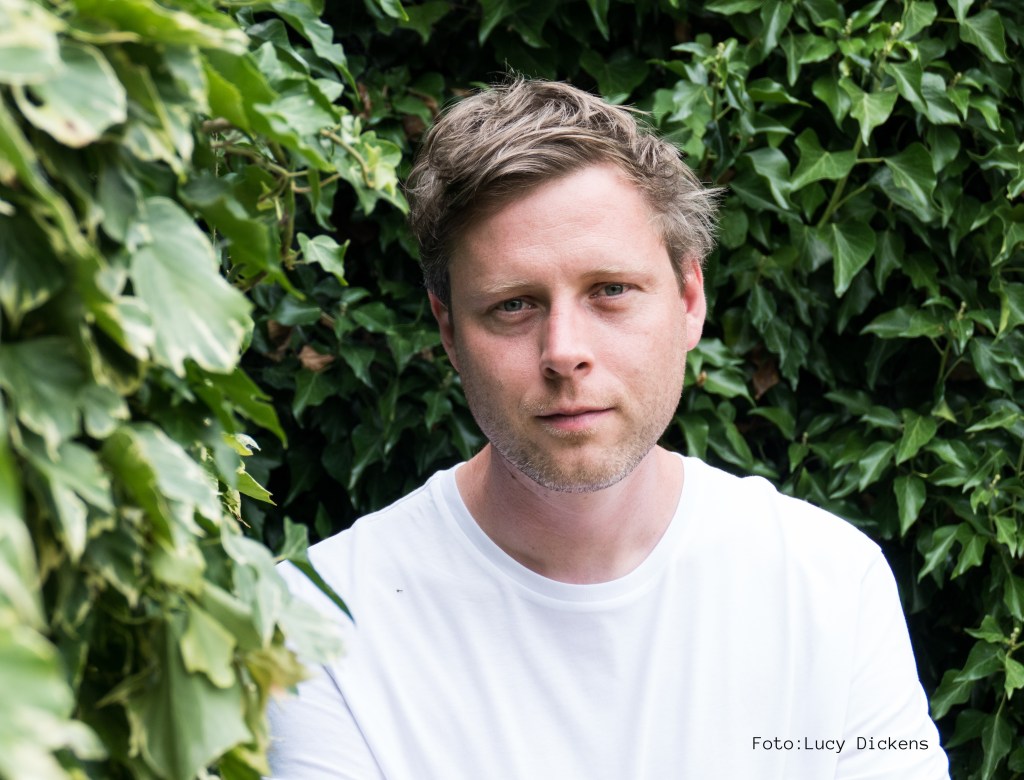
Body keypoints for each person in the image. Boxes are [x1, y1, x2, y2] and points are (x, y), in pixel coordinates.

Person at [267, 79, 948, 779]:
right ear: (449, 331)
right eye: (513, 304)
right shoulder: (320, 620)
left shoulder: (830, 582)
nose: (564, 351)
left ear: (689, 300)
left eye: (611, 291)